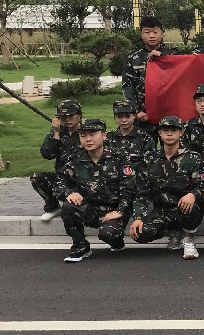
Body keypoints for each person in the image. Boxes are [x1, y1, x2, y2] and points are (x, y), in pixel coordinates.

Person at [56, 119, 135, 263]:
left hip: (114, 210)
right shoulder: (75, 159)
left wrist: (121, 211)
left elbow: (129, 187)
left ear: (104, 136)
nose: (88, 139)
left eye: (93, 134)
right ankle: (80, 246)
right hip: (90, 209)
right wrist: (69, 192)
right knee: (68, 207)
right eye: (83, 135)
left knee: (108, 234)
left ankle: (116, 241)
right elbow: (60, 183)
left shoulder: (119, 158)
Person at [129, 116, 204, 260]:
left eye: (173, 130)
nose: (169, 134)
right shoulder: (149, 160)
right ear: (159, 133)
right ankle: (174, 232)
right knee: (140, 233)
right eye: (165, 130)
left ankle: (188, 237)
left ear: (181, 133)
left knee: (190, 206)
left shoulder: (193, 158)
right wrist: (138, 217)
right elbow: (142, 193)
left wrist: (193, 195)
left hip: (186, 208)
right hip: (162, 210)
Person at [31, 99, 84, 221]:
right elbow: (46, 154)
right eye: (63, 117)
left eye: (71, 116)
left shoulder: (87, 132)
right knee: (37, 178)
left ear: (79, 115)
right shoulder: (59, 132)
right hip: (63, 177)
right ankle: (53, 207)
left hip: (83, 178)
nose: (67, 120)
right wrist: (56, 134)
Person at [122, 16, 178, 124]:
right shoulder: (133, 58)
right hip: (143, 115)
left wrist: (163, 57)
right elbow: (127, 87)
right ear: (141, 35)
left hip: (169, 113)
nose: (151, 36)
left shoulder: (173, 55)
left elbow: (184, 70)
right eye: (147, 32)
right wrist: (136, 111)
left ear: (162, 33)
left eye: (155, 32)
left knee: (170, 141)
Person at [105, 100, 155, 167]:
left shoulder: (145, 138)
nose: (124, 120)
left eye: (127, 116)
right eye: (119, 117)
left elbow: (150, 164)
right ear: (114, 118)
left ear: (134, 116)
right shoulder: (108, 138)